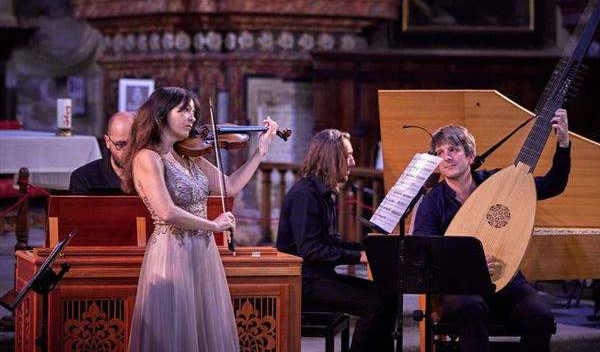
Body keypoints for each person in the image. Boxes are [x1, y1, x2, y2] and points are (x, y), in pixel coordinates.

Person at [122, 87, 279, 352]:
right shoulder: (147, 157)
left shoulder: (188, 154)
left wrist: (260, 151)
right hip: (172, 251)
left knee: (203, 328)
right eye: (183, 111)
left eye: (193, 112)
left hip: (202, 252)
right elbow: (166, 212)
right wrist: (213, 225)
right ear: (161, 114)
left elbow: (229, 187)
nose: (192, 118)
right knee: (176, 332)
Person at [413, 108, 571, 352]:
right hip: (461, 288)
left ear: (471, 156)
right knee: (473, 306)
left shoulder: (499, 183)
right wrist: (468, 266)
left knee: (541, 317)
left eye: (453, 150)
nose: (446, 158)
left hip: (507, 282)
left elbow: (553, 185)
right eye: (440, 153)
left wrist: (563, 144)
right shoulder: (432, 203)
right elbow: (423, 254)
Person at [276, 129, 397, 352]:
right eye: (348, 155)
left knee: (389, 296)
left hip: (320, 276)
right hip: (303, 281)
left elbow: (329, 240)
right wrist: (358, 257)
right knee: (376, 305)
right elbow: (310, 250)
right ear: (331, 158)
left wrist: (369, 248)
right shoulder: (305, 194)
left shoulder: (320, 192)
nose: (353, 161)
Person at [68, 111, 135, 195]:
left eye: (134, 144)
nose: (128, 151)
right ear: (107, 142)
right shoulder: (84, 178)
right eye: (121, 144)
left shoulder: (152, 174)